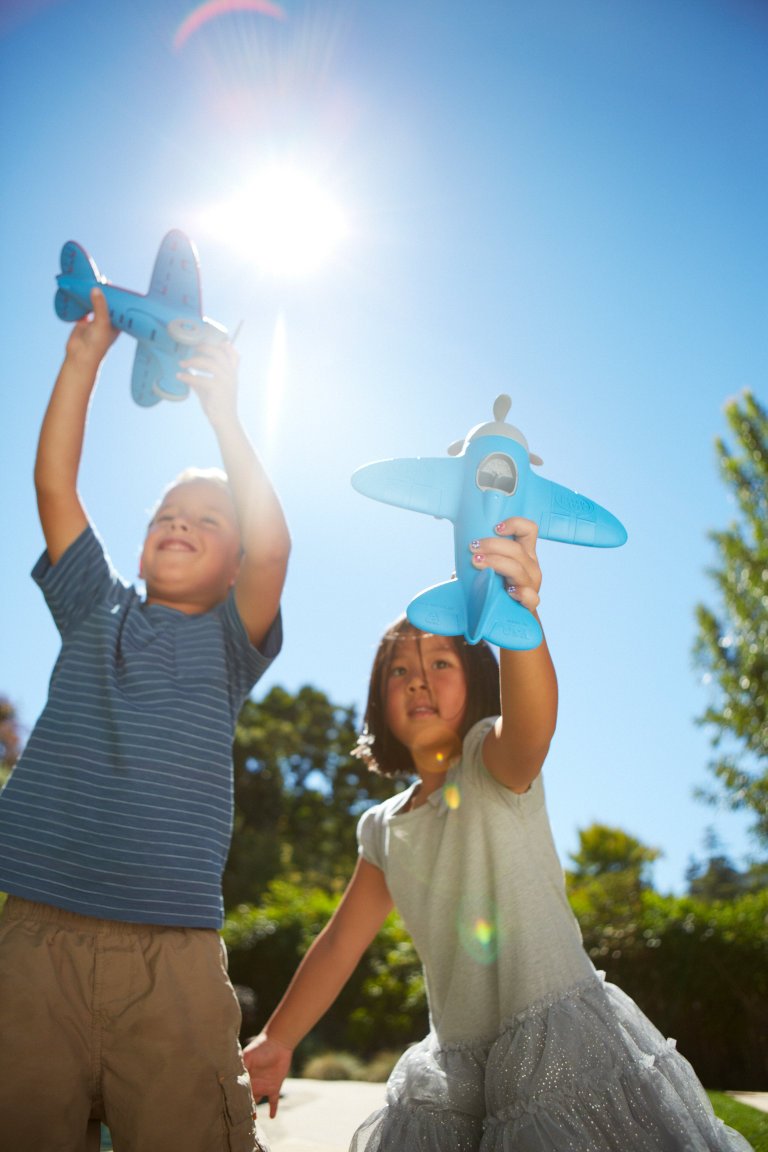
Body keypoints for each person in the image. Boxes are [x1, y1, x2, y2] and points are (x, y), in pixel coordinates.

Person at [243, 519, 752, 1151]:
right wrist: (278, 1039)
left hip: (560, 1038)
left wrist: (519, 618)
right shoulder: (381, 828)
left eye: (439, 661)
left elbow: (534, 725)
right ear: (379, 701)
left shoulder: (492, 760)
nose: (417, 679)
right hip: (457, 1066)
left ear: (480, 675)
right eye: (397, 671)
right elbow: (341, 942)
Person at [0, 287, 290, 1152]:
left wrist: (225, 418)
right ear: (137, 546)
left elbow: (275, 546)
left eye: (207, 520)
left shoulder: (233, 643)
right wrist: (82, 359)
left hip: (174, 956)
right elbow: (55, 482)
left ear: (236, 564)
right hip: (33, 939)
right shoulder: (96, 608)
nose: (179, 522)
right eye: (167, 515)